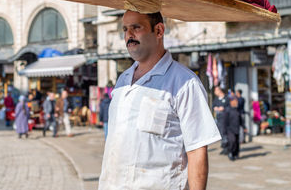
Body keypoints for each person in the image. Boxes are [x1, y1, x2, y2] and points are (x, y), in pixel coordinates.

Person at [98, 11, 221, 190]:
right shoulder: (122, 80)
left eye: (136, 27)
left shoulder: (184, 82)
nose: (129, 35)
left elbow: (197, 150)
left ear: (159, 31)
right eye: (125, 29)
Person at [224, 96, 246, 161]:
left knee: (237, 142)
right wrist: (224, 131)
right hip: (230, 129)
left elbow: (241, 120)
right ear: (231, 102)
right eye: (235, 101)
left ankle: (236, 154)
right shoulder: (227, 110)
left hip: (237, 128)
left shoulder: (237, 109)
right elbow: (225, 122)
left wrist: (244, 127)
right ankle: (230, 153)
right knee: (232, 141)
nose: (237, 102)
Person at [212, 85, 230, 155]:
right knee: (221, 133)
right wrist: (215, 108)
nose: (214, 92)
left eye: (215, 90)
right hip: (219, 118)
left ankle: (227, 148)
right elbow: (213, 105)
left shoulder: (227, 98)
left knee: (225, 132)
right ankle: (224, 147)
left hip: (226, 118)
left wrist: (224, 108)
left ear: (219, 90)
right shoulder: (216, 99)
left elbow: (230, 107)